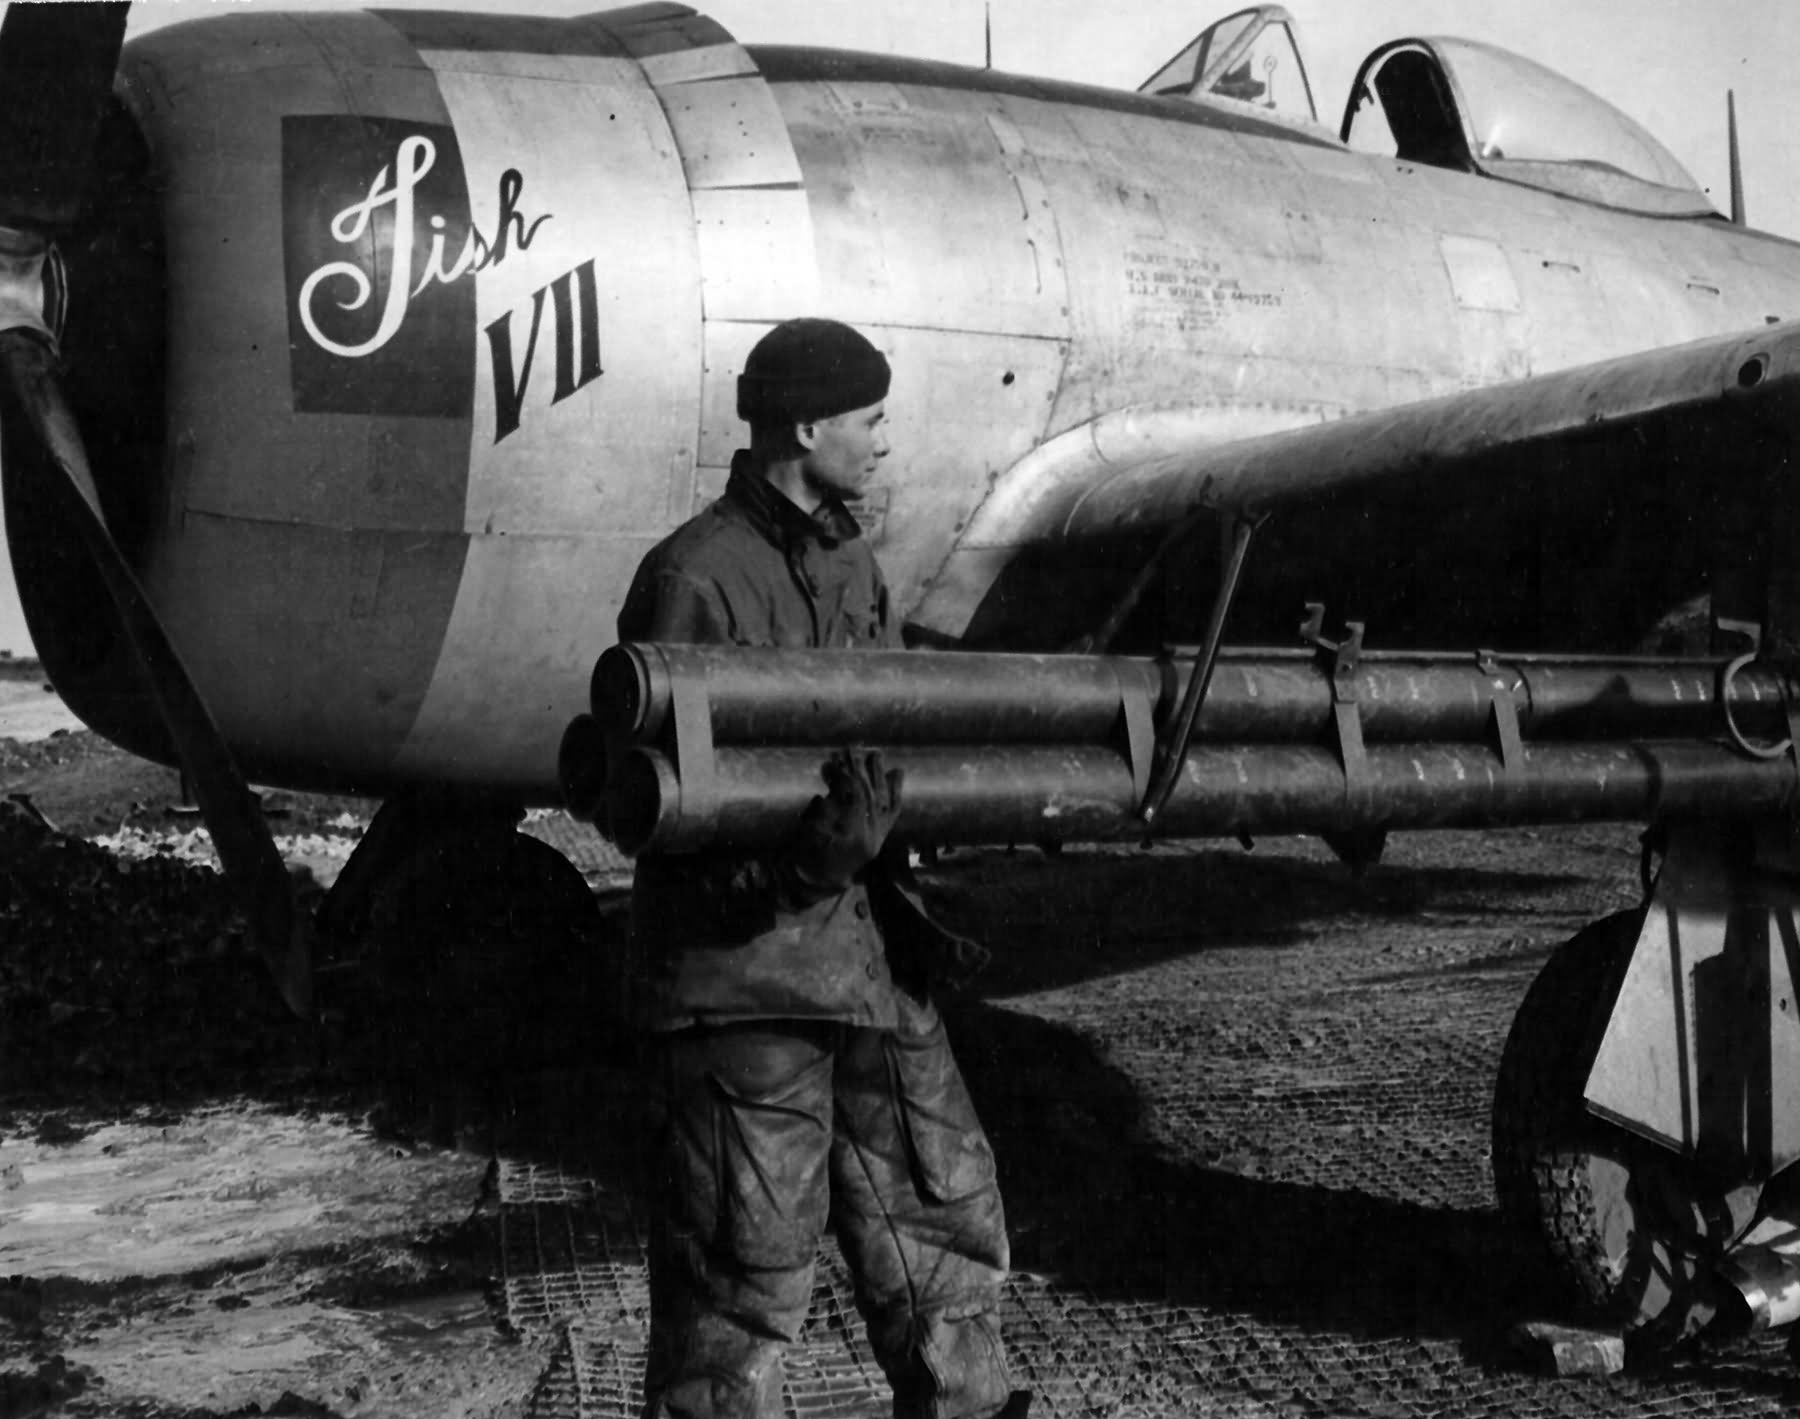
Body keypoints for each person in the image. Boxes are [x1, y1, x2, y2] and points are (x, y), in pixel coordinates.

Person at [616, 318, 1028, 1419]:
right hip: (740, 991)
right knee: (737, 1291)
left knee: (944, 1239)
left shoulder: (852, 561)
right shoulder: (693, 580)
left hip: (866, 964)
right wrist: (806, 866)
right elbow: (666, 829)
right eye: (869, 418)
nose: (884, 442)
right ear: (808, 427)